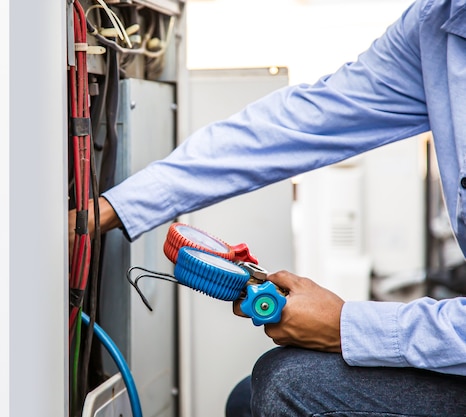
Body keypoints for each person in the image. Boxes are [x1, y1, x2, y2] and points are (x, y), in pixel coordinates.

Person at [69, 0, 466, 415]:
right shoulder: (438, 21)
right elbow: (298, 125)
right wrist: (109, 208)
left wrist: (346, 326)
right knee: (247, 400)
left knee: (287, 384)